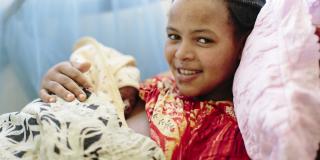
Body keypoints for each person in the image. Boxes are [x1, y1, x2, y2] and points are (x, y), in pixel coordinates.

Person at [40, 0, 266, 159]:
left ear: (244, 44)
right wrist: (60, 84)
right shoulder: (155, 86)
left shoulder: (240, 133)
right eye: (173, 36)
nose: (180, 53)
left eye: (204, 40)